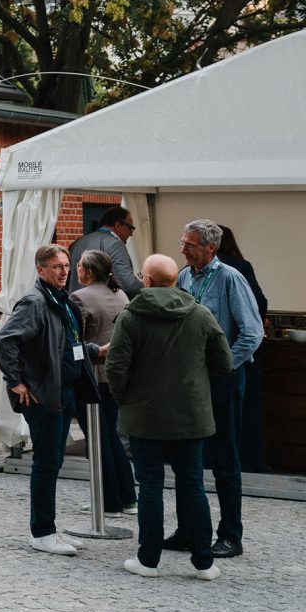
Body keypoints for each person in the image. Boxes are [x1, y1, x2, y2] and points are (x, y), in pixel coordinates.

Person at [106, 253, 231, 581]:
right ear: (176, 280)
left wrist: (127, 400)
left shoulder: (131, 317)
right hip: (190, 416)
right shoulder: (201, 314)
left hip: (144, 416)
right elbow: (224, 362)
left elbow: (115, 368)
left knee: (149, 486)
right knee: (192, 485)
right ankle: (204, 562)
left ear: (146, 280)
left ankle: (148, 560)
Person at [0, 243, 99, 556]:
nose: (64, 272)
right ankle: (42, 532)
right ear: (41, 270)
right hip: (44, 394)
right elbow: (5, 341)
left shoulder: (61, 300)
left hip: (64, 389)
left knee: (54, 461)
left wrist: (92, 353)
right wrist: (17, 383)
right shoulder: (35, 302)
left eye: (66, 266)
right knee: (47, 462)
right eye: (57, 267)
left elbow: (65, 345)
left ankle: (49, 528)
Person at [169, 218, 263, 559]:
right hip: (190, 378)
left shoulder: (231, 279)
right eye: (183, 243)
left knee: (224, 456)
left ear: (211, 248)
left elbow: (252, 334)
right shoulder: (183, 275)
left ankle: (230, 535)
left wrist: (222, 366)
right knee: (185, 454)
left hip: (221, 378)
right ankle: (188, 529)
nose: (182, 249)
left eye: (189, 245)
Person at [69, 250, 137, 515]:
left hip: (93, 376)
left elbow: (75, 339)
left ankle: (108, 498)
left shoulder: (79, 297)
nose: (76, 270)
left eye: (78, 266)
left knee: (98, 439)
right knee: (113, 436)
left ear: (88, 271)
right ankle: (128, 496)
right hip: (116, 376)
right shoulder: (121, 294)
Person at [216, 225, 267, 474]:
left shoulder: (228, 271)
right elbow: (260, 305)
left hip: (227, 355)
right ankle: (245, 462)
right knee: (244, 412)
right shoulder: (240, 266)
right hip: (239, 355)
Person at [68, 206, 140, 298]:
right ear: (117, 225)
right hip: (101, 308)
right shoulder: (115, 245)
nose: (131, 234)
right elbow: (129, 284)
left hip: (75, 307)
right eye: (130, 228)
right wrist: (148, 286)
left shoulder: (77, 243)